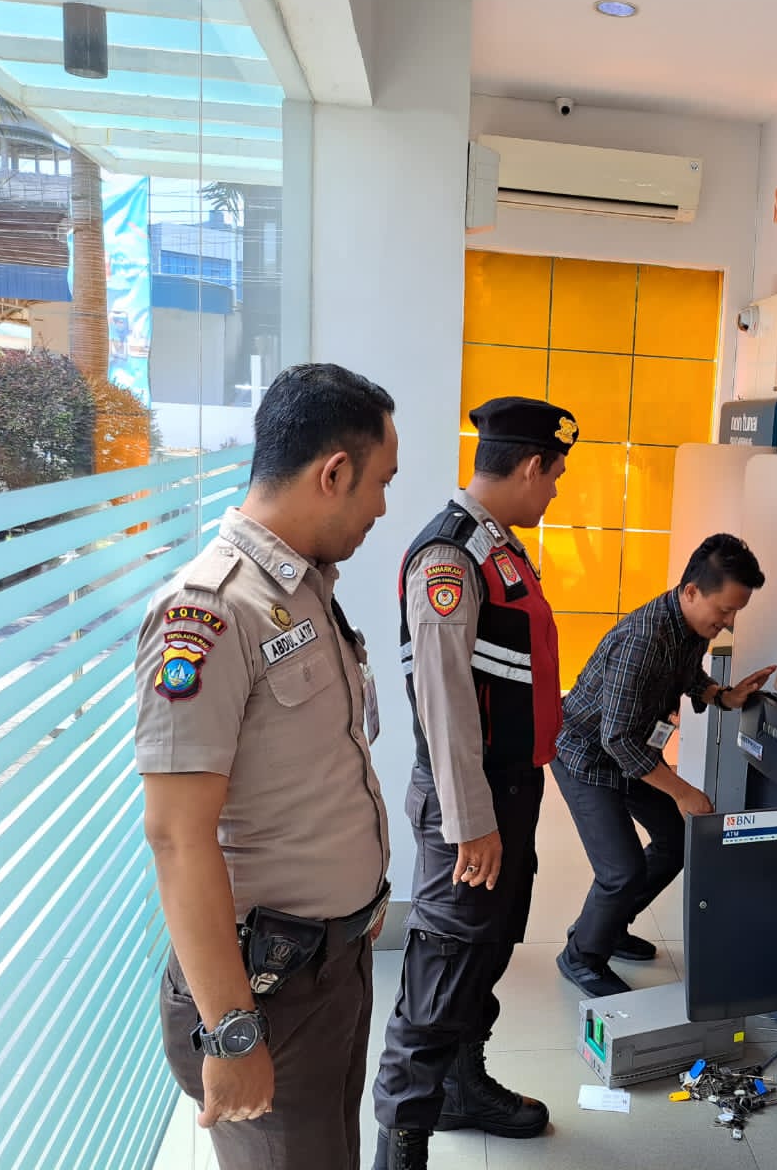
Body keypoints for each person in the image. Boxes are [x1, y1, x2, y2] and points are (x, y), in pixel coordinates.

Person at [137, 363, 398, 1170]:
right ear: (334, 473)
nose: (383, 507)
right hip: (263, 994)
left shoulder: (305, 588)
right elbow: (177, 837)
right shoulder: (211, 610)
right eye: (381, 483)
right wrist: (231, 1032)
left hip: (330, 966)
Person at [371, 396, 577, 1170]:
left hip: (507, 794)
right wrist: (470, 823)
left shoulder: (499, 546)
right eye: (553, 477)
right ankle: (400, 1147)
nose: (553, 492)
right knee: (440, 977)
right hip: (473, 803)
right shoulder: (450, 557)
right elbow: (444, 700)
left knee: (483, 954)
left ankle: (462, 1087)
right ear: (530, 466)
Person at [552, 533, 775, 997]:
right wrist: (682, 790)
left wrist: (723, 696)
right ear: (691, 591)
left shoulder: (689, 627)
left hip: (631, 754)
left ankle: (607, 927)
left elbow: (688, 675)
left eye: (735, 613)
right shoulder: (644, 639)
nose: (728, 623)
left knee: (676, 840)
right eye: (725, 611)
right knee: (622, 869)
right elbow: (615, 738)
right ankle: (581, 955)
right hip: (587, 756)